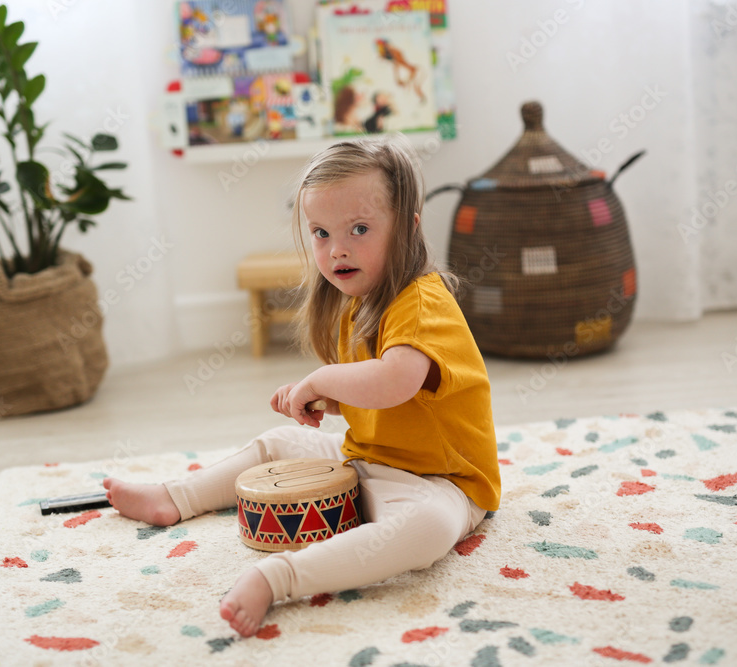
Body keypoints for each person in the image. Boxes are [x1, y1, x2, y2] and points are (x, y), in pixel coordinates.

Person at [103, 136, 501, 638]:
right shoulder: (357, 299)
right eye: (321, 233)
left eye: (359, 229)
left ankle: (279, 577)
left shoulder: (421, 300)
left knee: (427, 532)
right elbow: (376, 396)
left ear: (408, 227)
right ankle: (176, 497)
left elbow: (397, 381)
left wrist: (321, 378)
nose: (338, 249)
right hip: (371, 459)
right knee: (278, 444)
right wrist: (328, 399)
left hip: (444, 482)